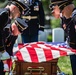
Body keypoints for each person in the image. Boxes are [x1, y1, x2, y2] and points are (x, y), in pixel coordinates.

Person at [0, 0, 28, 74]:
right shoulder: (4, 14)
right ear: (15, 8)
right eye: (19, 13)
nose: (18, 16)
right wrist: (2, 50)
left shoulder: (8, 17)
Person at [49, 0, 76, 75]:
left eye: (62, 10)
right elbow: (69, 33)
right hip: (73, 48)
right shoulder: (64, 17)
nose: (62, 13)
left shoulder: (74, 16)